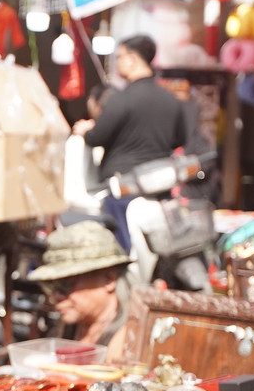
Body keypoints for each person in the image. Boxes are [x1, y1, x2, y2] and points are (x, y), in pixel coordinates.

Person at [72, 35, 188, 250]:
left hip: (123, 191)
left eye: (119, 57)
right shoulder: (170, 100)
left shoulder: (122, 99)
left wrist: (86, 130)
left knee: (121, 251)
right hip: (159, 192)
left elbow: (97, 137)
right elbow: (180, 140)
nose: (117, 63)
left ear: (133, 59)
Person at [29, 221, 133, 358]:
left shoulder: (130, 338)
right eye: (50, 286)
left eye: (66, 285)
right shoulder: (72, 326)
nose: (56, 296)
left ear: (109, 279)